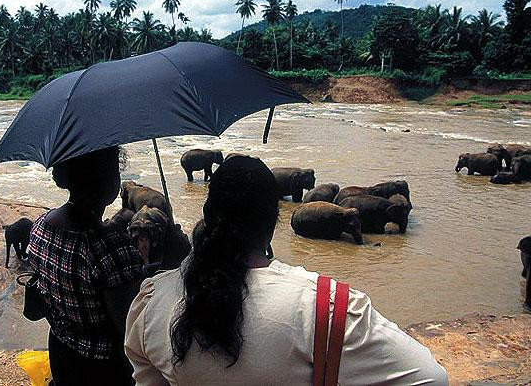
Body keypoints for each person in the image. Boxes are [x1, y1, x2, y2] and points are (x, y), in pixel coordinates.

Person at [125, 155, 448, 385]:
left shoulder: (151, 301)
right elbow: (430, 379)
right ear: (273, 221)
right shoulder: (327, 307)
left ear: (207, 214)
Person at [28, 147, 148, 386]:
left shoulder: (40, 226)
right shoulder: (108, 245)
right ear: (108, 179)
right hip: (107, 369)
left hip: (62, 354)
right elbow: (132, 328)